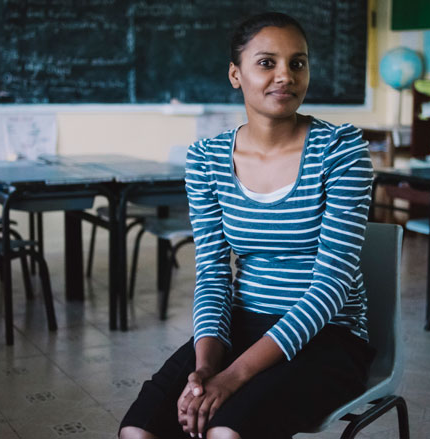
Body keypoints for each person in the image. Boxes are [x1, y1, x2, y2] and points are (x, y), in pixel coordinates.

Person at [119, 12, 374, 439]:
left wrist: (233, 377)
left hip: (328, 335)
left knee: (226, 432)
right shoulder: (206, 159)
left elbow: (332, 285)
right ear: (235, 75)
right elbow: (213, 274)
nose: (285, 76)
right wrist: (204, 369)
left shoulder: (341, 150)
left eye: (298, 63)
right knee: (138, 431)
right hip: (243, 323)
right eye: (266, 63)